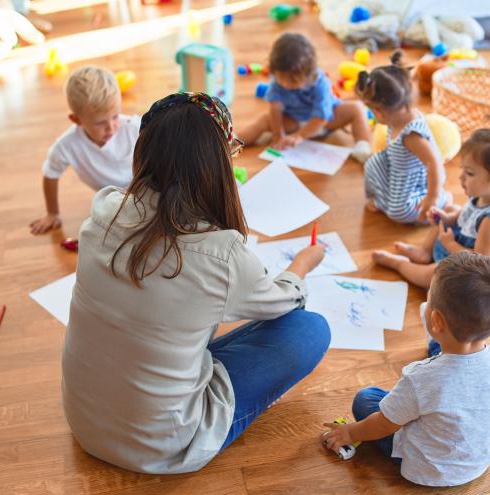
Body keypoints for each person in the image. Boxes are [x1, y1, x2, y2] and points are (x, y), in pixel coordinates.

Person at [61, 92, 331, 474]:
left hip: (86, 421)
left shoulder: (105, 211)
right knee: (309, 329)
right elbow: (284, 303)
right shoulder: (222, 254)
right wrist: (302, 264)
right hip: (162, 446)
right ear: (217, 165)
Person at [321, 252, 490, 487]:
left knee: (365, 398)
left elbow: (384, 425)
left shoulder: (421, 377)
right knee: (422, 400)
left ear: (435, 321)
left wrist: (351, 433)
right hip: (477, 464)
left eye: (428, 300)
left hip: (425, 469)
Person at [372, 119, 490, 289]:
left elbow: (480, 264)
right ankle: (425, 252)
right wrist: (449, 218)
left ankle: (401, 265)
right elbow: (469, 214)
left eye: (469, 173)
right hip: (470, 247)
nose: (461, 178)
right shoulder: (489, 193)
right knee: (450, 208)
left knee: (437, 274)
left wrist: (450, 244)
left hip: (484, 278)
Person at [30, 66, 141, 234]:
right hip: (111, 202)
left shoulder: (135, 128)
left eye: (115, 116)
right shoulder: (66, 146)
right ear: (76, 119)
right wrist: (52, 213)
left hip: (146, 191)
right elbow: (50, 173)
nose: (111, 127)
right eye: (100, 123)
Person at [236, 32, 372, 162]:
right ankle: (232, 142)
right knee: (264, 121)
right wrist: (278, 134)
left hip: (326, 122)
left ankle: (362, 147)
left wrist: (299, 136)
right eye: (280, 78)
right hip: (294, 121)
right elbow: (275, 107)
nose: (285, 84)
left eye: (293, 81)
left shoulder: (321, 83)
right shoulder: (278, 77)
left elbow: (321, 117)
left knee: (357, 108)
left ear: (309, 73)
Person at [356, 51, 451, 224]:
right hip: (397, 171)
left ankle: (444, 201)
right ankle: (385, 200)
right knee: (371, 163)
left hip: (415, 184)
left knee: (399, 212)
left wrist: (432, 196)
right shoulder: (398, 115)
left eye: (371, 110)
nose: (372, 114)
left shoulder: (412, 135)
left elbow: (434, 162)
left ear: (380, 111)